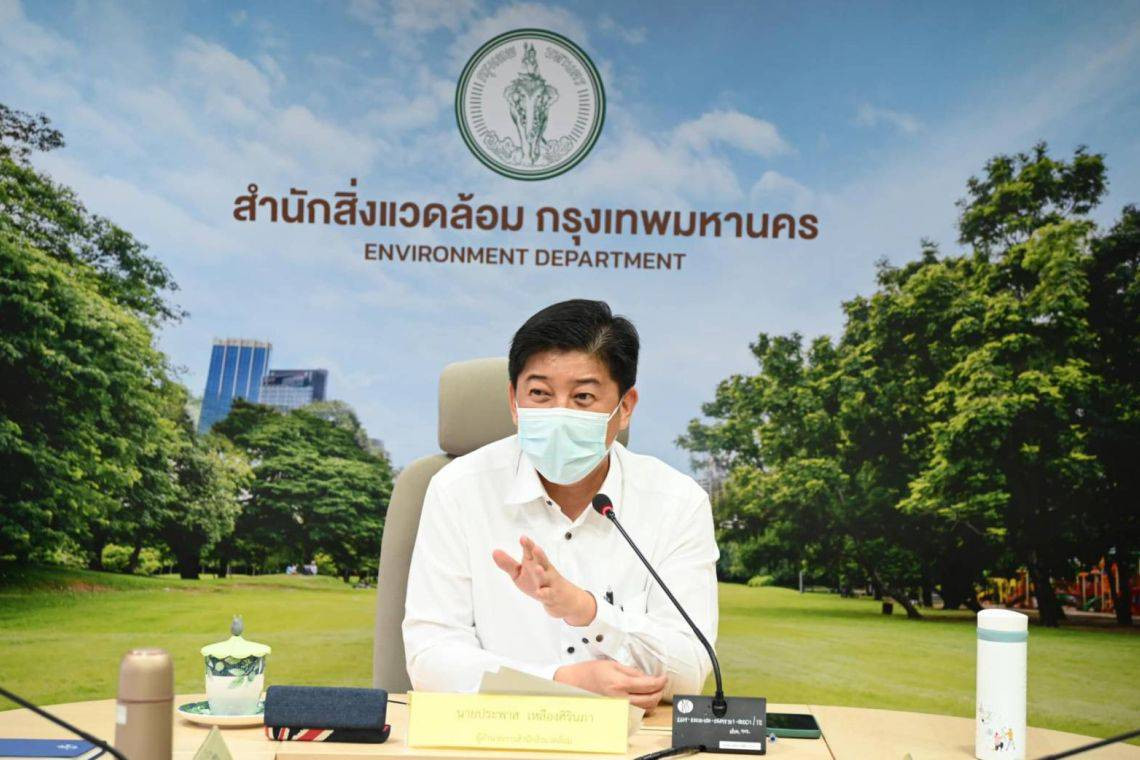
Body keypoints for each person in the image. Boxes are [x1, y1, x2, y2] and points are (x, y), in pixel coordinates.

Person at [402, 299, 719, 712]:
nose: (559, 414)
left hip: (630, 739)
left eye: (583, 396)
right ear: (514, 402)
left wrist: (586, 610)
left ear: (625, 407)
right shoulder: (458, 489)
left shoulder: (677, 502)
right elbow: (430, 656)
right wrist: (560, 683)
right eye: (540, 394)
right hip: (493, 734)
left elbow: (690, 669)